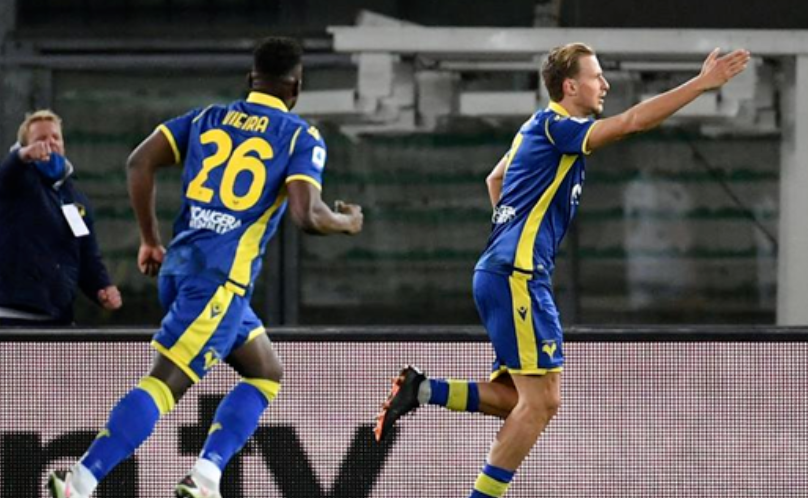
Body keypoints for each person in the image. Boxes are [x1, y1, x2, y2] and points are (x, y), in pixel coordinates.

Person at [374, 44, 750, 497]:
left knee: (518, 401)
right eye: (596, 76)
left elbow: (495, 179)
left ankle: (421, 390)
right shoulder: (559, 128)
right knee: (542, 404)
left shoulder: (534, 128)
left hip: (503, 272)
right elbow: (633, 122)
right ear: (570, 87)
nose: (605, 84)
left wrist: (511, 237)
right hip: (517, 275)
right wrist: (702, 84)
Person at [47, 36, 363, 498]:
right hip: (218, 282)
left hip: (183, 269)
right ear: (296, 88)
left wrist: (150, 239)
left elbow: (139, 162)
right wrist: (348, 222)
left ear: (250, 79)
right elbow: (308, 215)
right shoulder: (299, 135)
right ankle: (81, 480)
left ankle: (206, 476)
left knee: (265, 371)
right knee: (164, 384)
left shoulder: (205, 118)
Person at [0, 110, 122, 326]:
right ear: (24, 146)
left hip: (58, 318)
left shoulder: (75, 197)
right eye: (41, 139)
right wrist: (22, 156)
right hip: (12, 316)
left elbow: (87, 255)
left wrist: (102, 288)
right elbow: (7, 173)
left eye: (55, 137)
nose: (50, 143)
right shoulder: (17, 183)